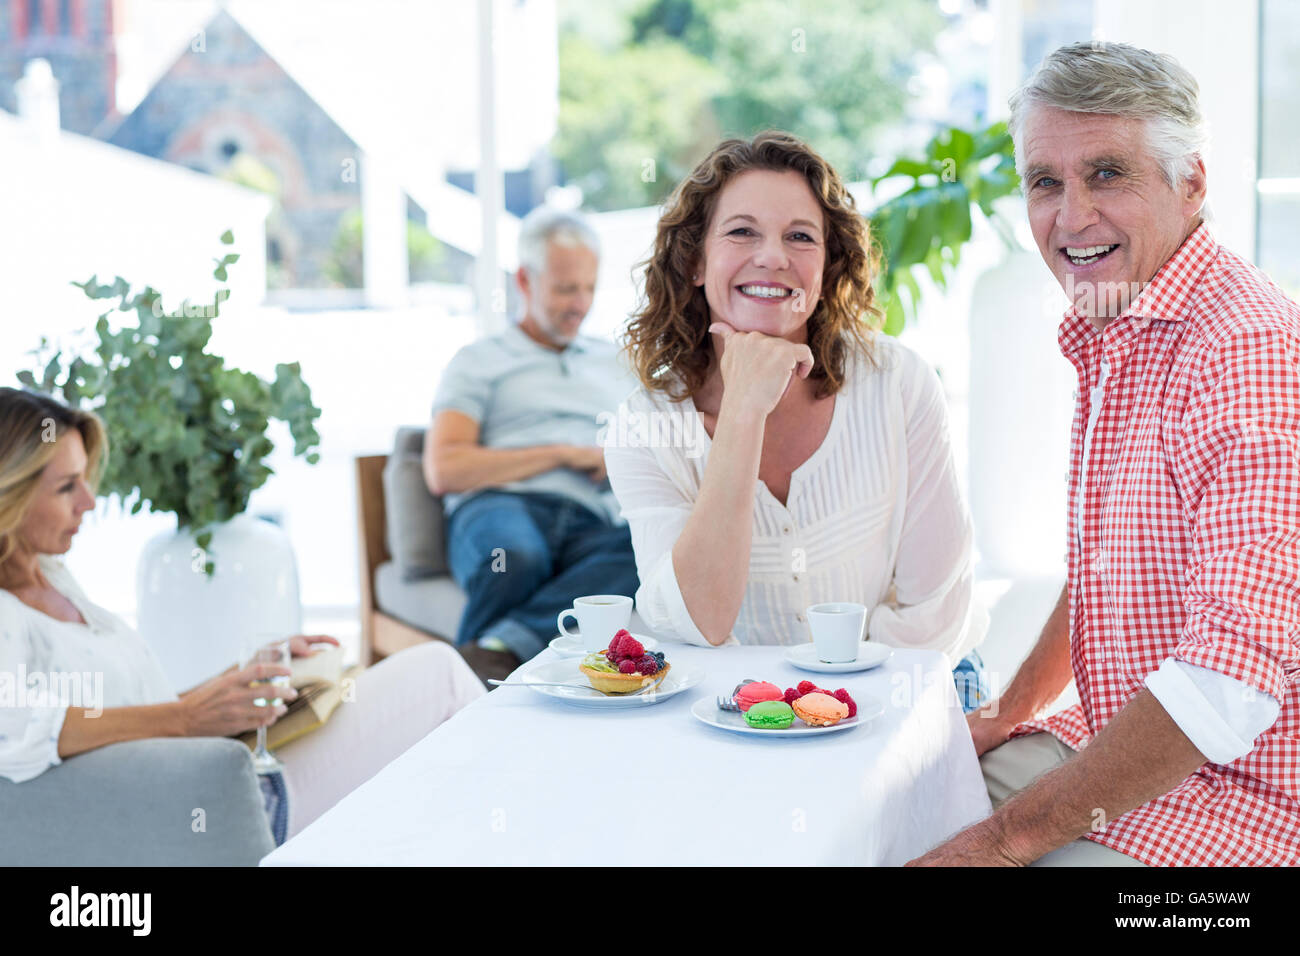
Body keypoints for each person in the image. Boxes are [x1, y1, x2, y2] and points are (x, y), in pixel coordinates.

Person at [911, 42, 1300, 867]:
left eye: (1108, 174)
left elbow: (1231, 682)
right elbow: (1108, 568)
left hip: (1248, 805)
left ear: (1190, 182)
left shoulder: (1246, 353)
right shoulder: (1125, 325)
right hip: (1126, 753)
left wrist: (1001, 842)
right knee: (883, 807)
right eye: (1045, 182)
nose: (1070, 216)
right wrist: (1010, 709)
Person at [604, 131, 989, 708]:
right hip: (741, 712)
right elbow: (698, 622)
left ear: (827, 267)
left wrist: (824, 707)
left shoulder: (898, 382)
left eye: (800, 237)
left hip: (911, 682)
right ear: (695, 263)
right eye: (742, 232)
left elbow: (935, 608)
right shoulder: (645, 427)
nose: (773, 256)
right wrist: (742, 411)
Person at [0, 387, 485, 844]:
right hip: (217, 804)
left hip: (225, 767)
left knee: (434, 743)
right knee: (440, 677)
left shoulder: (51, 577)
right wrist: (189, 717)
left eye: (85, 479)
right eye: (66, 487)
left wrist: (237, 683)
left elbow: (140, 713)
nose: (90, 500)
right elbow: (21, 727)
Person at [426, 206, 640, 680]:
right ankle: (473, 684)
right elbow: (444, 469)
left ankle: (497, 647)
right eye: (566, 288)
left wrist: (620, 458)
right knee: (515, 558)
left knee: (651, 553)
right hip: (501, 508)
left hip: (591, 517)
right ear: (524, 281)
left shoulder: (617, 362)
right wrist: (561, 454)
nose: (579, 303)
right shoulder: (479, 360)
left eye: (588, 288)